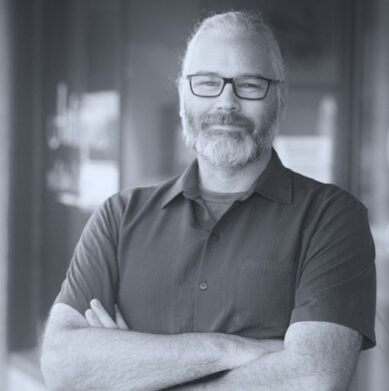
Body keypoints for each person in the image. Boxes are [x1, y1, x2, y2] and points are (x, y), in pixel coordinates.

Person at [40, 10, 376, 391]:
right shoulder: (119, 217)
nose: (226, 102)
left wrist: (131, 368)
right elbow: (62, 365)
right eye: (207, 83)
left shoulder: (333, 219)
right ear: (183, 96)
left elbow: (312, 378)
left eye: (249, 84)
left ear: (279, 99)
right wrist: (227, 349)